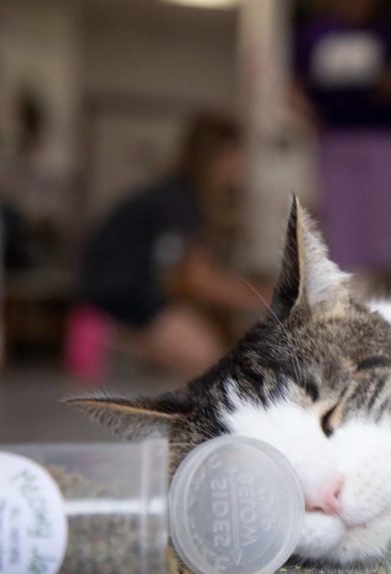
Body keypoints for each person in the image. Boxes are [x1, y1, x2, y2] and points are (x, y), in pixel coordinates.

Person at [80, 113, 267, 378]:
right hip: (121, 295)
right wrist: (266, 298)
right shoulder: (182, 200)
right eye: (235, 156)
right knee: (210, 358)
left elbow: (185, 276)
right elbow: (200, 281)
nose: (239, 167)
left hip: (115, 288)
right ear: (216, 157)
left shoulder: (174, 195)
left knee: (207, 348)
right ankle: (125, 341)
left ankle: (138, 347)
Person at [291, 0, 391, 275]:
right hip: (335, 142)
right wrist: (311, 117)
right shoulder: (314, 36)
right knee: (340, 233)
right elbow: (293, 88)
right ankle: (348, 304)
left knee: (389, 234)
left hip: (388, 141)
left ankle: (387, 302)